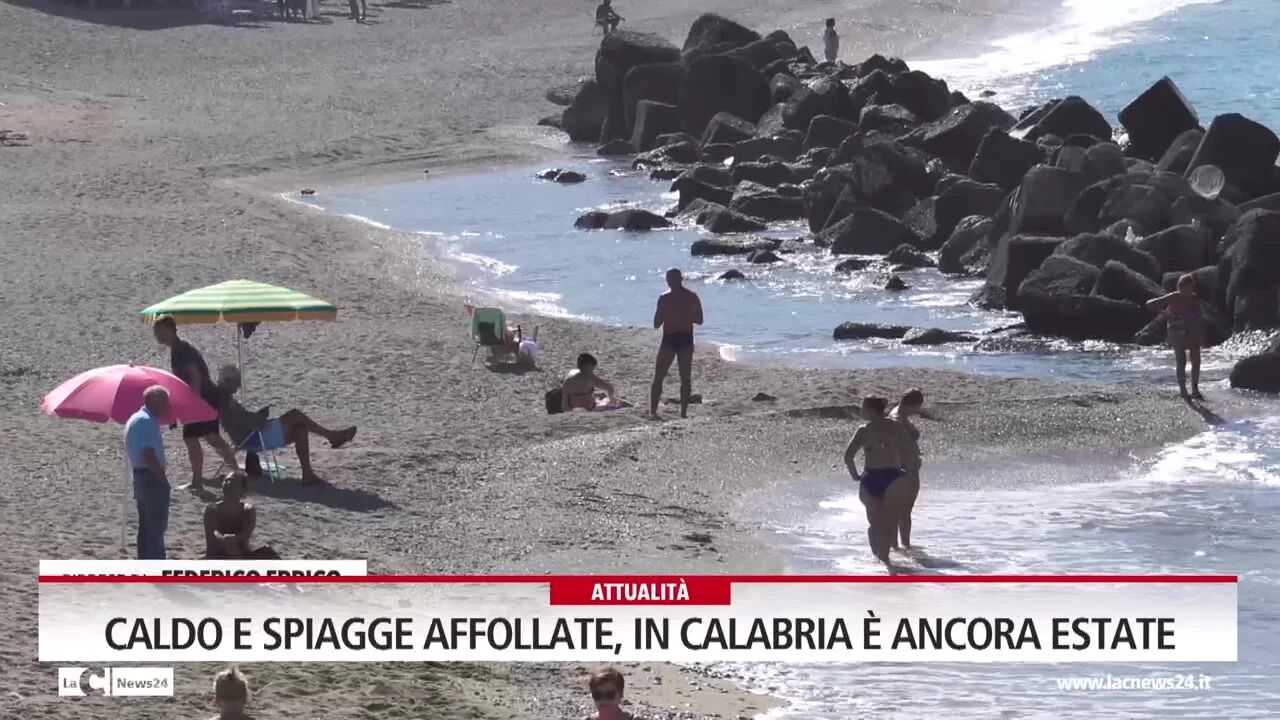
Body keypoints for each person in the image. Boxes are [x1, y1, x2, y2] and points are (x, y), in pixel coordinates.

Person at [215, 365, 357, 485]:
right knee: (295, 415)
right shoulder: (226, 401)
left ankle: (308, 474)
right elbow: (246, 422)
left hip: (252, 435)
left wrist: (259, 416)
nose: (238, 385)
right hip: (253, 438)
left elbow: (242, 420)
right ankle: (332, 436)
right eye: (236, 381)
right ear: (227, 381)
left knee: (300, 428)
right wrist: (261, 417)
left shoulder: (225, 399)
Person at [152, 316, 239, 494]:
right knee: (200, 438)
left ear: (169, 330)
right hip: (199, 399)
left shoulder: (183, 350)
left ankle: (235, 474)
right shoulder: (177, 349)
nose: (156, 336)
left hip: (203, 398)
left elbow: (195, 377)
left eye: (159, 332)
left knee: (209, 438)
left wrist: (194, 404)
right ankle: (203, 479)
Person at [844, 395, 913, 565]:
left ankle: (878, 564)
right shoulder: (895, 426)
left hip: (871, 478)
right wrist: (906, 468)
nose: (861, 411)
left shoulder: (863, 430)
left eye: (863, 408)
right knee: (889, 524)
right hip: (893, 478)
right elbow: (908, 449)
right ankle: (887, 564)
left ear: (870, 410)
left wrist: (855, 475)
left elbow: (848, 457)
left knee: (875, 525)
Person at [124, 386, 172, 560]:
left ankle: (145, 561)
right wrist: (162, 478)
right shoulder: (145, 421)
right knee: (155, 527)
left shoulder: (138, 418)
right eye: (164, 402)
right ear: (153, 401)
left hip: (141, 476)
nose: (167, 407)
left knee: (146, 525)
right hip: (149, 477)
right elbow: (148, 454)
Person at [650, 268, 703, 420]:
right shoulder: (691, 297)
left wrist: (670, 315)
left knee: (660, 376)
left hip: (671, 338)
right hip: (683, 338)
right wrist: (685, 315)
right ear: (681, 279)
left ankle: (654, 411)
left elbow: (656, 323)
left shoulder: (665, 298)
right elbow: (699, 320)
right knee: (684, 377)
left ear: (669, 281)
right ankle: (682, 412)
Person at [1147, 274, 1204, 399]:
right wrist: (1165, 314)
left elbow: (1199, 316)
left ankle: (1195, 388)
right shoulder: (1173, 297)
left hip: (1191, 330)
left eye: (1191, 288)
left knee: (1196, 358)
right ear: (1180, 287)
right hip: (1176, 330)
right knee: (1181, 359)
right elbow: (1149, 304)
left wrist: (1191, 319)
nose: (1189, 291)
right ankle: (1183, 390)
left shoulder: (1193, 298)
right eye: (1186, 288)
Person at [204, 474, 280, 559]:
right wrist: (223, 538)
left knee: (268, 552)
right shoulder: (212, 509)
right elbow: (213, 532)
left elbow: (246, 532)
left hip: (241, 555)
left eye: (233, 481)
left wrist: (235, 538)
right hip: (218, 556)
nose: (228, 483)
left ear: (243, 489)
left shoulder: (247, 509)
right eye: (226, 480)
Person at [889, 388, 924, 549]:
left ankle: (900, 546)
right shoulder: (897, 420)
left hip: (905, 469)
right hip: (905, 471)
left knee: (900, 512)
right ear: (911, 405)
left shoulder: (898, 413)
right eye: (917, 407)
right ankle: (900, 546)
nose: (917, 411)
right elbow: (895, 446)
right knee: (901, 512)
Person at [562, 353, 629, 411]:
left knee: (600, 396)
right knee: (623, 403)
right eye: (592, 369)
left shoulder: (568, 378)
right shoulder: (589, 377)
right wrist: (612, 399)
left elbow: (565, 402)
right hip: (589, 407)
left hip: (572, 407)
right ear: (589, 367)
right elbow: (609, 388)